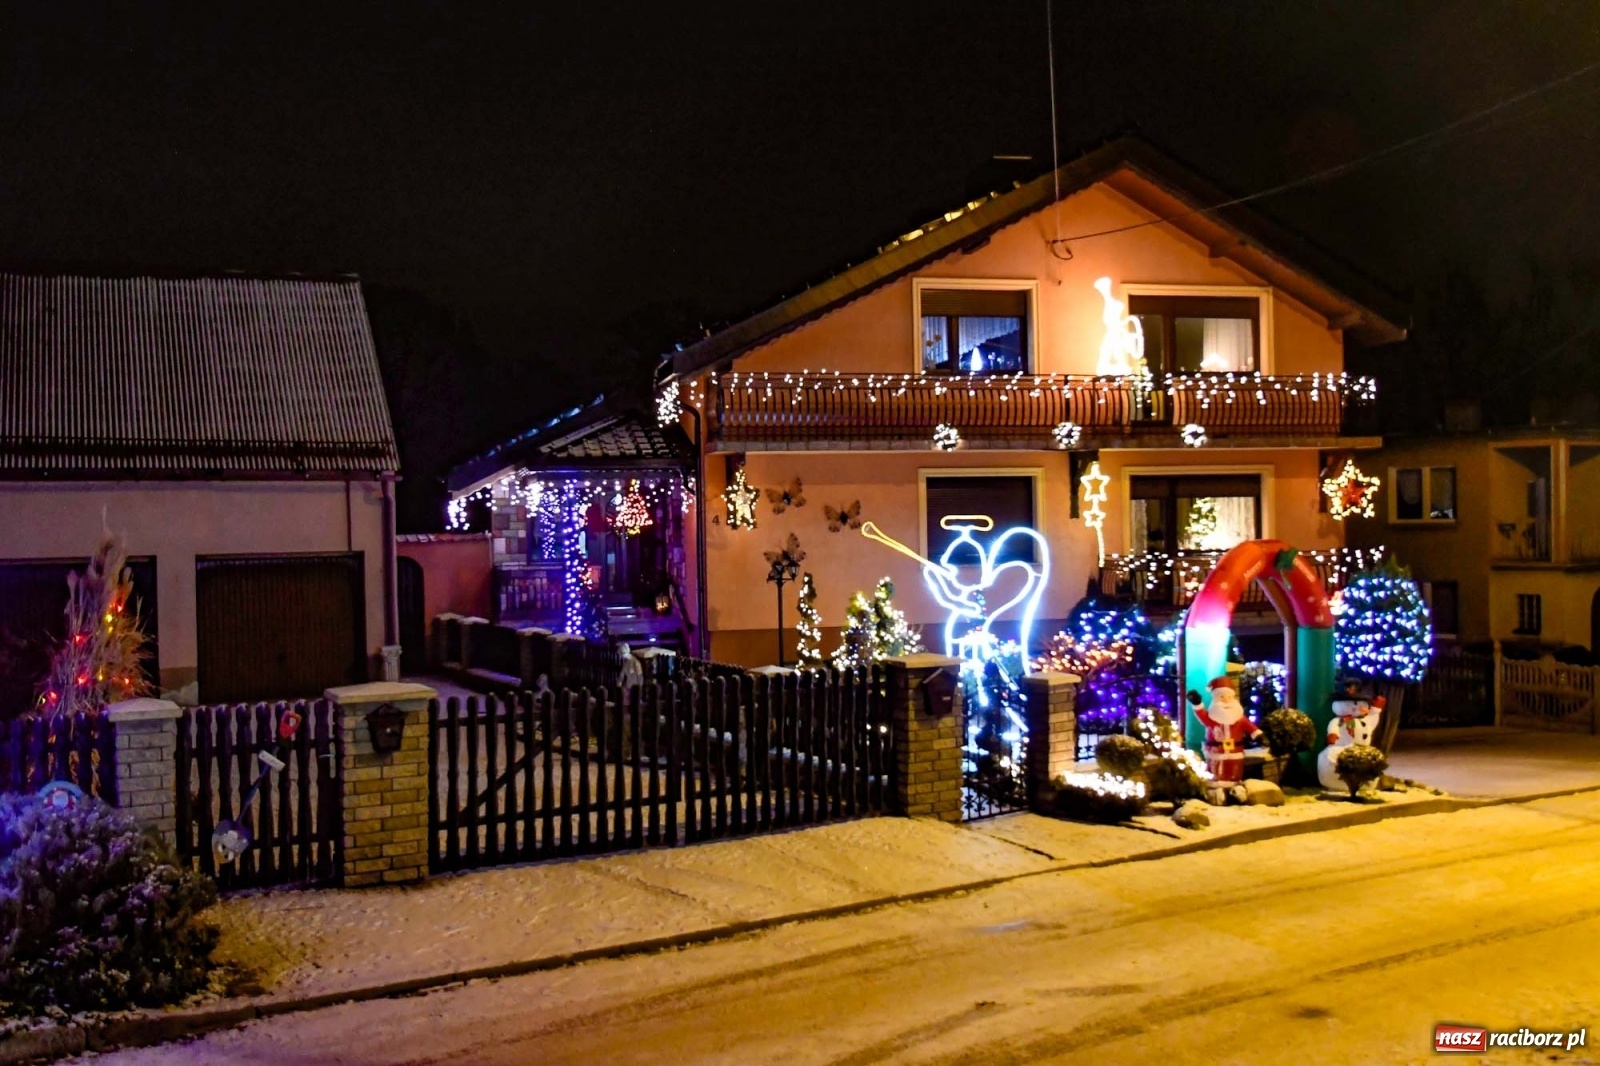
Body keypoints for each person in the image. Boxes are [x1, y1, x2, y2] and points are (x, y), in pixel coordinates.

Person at [1186, 676, 1265, 782]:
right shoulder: (1212, 718)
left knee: (1235, 772)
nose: (1226, 700)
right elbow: (1202, 715)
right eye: (1221, 697)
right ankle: (1217, 792)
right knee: (1216, 773)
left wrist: (1258, 735)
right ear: (1215, 698)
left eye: (1229, 697)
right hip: (1216, 752)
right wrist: (1197, 704)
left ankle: (1235, 791)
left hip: (1235, 752)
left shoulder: (1239, 718)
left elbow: (1249, 726)